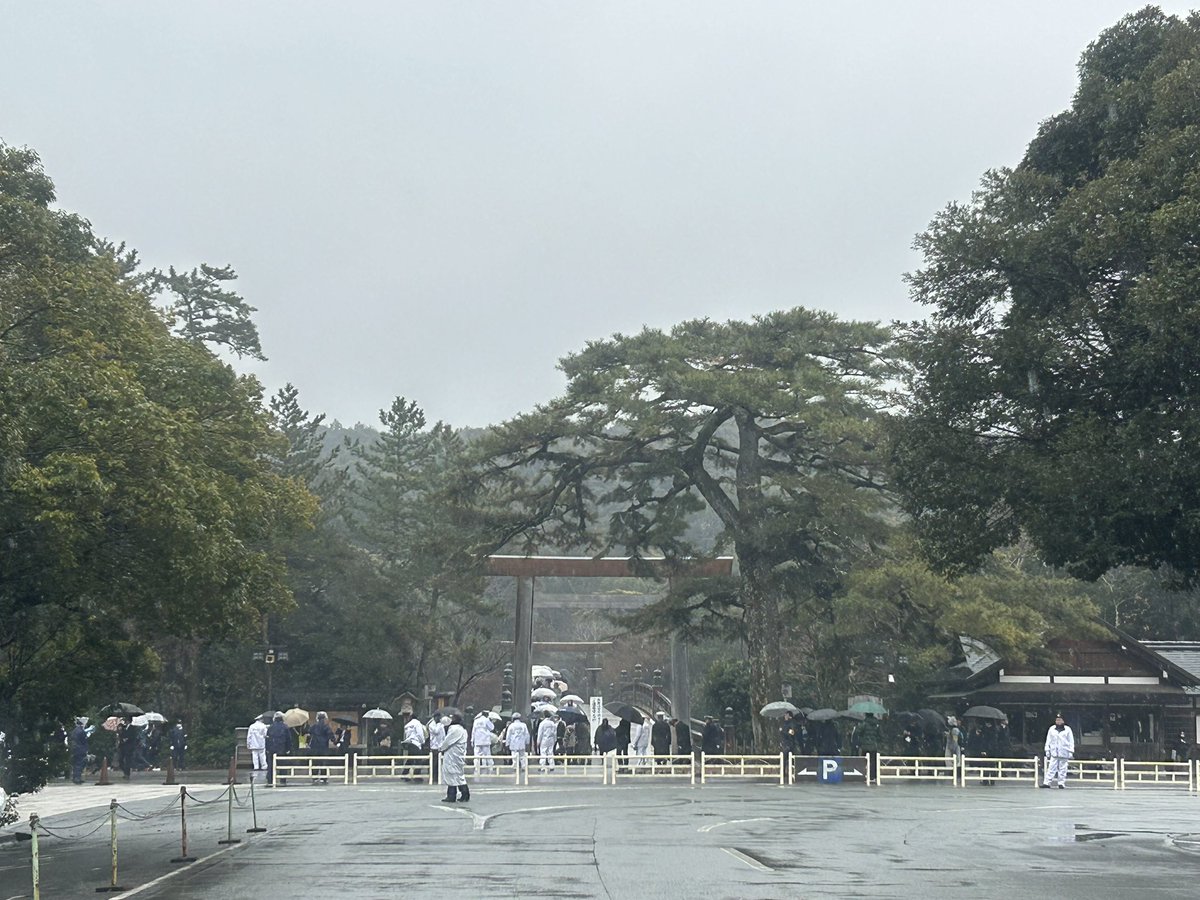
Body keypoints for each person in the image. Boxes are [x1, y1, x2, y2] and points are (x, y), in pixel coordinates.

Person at [440, 714, 470, 803]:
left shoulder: (454, 729)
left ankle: (451, 795)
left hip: (452, 755)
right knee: (459, 775)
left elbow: (448, 741)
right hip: (459, 755)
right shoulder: (463, 729)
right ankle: (465, 794)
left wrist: (441, 748)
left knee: (451, 774)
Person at [1042, 712, 1074, 789]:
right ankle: (1047, 783)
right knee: (1051, 768)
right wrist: (1047, 750)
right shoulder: (1052, 729)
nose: (1058, 722)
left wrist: (1071, 751)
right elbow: (1048, 740)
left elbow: (1071, 741)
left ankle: (1061, 783)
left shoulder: (1068, 730)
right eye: (1057, 720)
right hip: (1054, 752)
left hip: (1064, 752)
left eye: (1060, 720)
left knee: (1063, 769)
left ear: (1063, 721)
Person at [854, 713, 882, 782]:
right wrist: (876, 740)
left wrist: (861, 739)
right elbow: (881, 735)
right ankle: (873, 777)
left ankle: (865, 775)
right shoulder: (877, 724)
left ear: (866, 715)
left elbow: (857, 732)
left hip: (865, 746)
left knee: (864, 761)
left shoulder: (864, 723)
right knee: (873, 761)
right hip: (874, 746)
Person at [266, 711, 292, 786]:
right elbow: (288, 739)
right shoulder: (285, 727)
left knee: (271, 765)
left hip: (271, 748)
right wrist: (288, 749)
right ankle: (283, 779)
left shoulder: (270, 727)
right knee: (282, 765)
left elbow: (267, 739)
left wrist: (267, 748)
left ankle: (270, 779)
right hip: (282, 748)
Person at [309, 711, 334, 784]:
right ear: (324, 718)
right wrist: (334, 741)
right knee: (324, 762)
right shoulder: (326, 726)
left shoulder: (314, 726)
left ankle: (315, 777)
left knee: (315, 762)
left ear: (318, 718)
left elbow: (309, 732)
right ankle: (324, 777)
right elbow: (330, 735)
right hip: (324, 747)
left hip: (315, 747)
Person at [247, 714, 268, 780]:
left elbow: (249, 736)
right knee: (262, 755)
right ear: (261, 719)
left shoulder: (252, 726)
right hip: (261, 743)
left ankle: (256, 767)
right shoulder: (263, 726)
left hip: (254, 743)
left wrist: (248, 743)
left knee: (254, 755)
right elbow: (265, 734)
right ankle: (263, 766)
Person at [779, 712, 798, 779]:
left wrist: (783, 731)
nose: (785, 716)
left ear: (789, 716)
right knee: (783, 759)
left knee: (790, 759)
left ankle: (791, 773)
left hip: (790, 743)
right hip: (784, 743)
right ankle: (783, 772)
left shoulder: (792, 723)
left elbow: (792, 733)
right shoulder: (783, 723)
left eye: (786, 714)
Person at [70, 717, 89, 784]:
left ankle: (75, 777)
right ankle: (77, 778)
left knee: (76, 764)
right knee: (80, 764)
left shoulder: (74, 730)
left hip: (75, 749)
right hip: (80, 749)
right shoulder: (81, 731)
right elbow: (84, 741)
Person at [428, 715, 446, 782]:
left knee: (440, 763)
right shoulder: (431, 725)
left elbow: (443, 735)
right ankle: (434, 777)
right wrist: (439, 724)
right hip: (434, 746)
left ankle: (439, 777)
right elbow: (436, 731)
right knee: (434, 763)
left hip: (440, 746)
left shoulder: (441, 725)